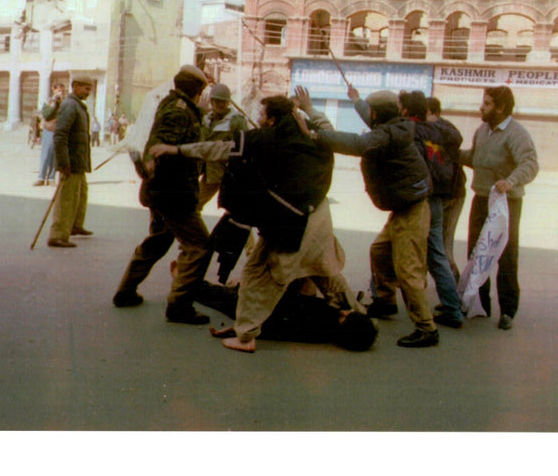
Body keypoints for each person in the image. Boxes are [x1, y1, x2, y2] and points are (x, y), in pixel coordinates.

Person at [150, 93, 366, 352]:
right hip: (318, 217)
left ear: (272, 119)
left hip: (290, 222)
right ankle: (356, 312)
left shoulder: (265, 139)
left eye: (263, 115)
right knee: (323, 267)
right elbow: (329, 131)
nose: (259, 119)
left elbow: (218, 149)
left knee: (259, 273)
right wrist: (310, 109)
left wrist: (176, 150)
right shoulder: (310, 135)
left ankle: (246, 336)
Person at [305, 88, 439, 348]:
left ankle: (426, 328)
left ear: (379, 114)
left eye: (372, 112)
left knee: (408, 271)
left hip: (412, 209)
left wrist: (316, 134)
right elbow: (370, 118)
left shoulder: (387, 135)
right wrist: (356, 100)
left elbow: (359, 143)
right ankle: (386, 301)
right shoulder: (392, 127)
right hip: (404, 207)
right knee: (379, 252)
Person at [112, 65, 214, 325]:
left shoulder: (177, 106)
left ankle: (125, 291)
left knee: (158, 241)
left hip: (162, 192)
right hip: (173, 193)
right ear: (197, 90)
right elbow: (161, 147)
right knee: (201, 244)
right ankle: (179, 306)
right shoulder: (179, 112)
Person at [460, 86, 539, 330]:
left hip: (506, 202)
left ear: (501, 108)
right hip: (481, 198)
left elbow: (530, 163)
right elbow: (474, 158)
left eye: (486, 103)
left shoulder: (516, 133)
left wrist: (510, 181)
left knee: (505, 255)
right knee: (476, 251)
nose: (481, 107)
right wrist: (450, 152)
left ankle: (508, 311)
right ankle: (479, 304)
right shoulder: (482, 130)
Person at [397, 90, 464, 328]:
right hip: (438, 198)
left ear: (405, 110)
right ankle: (452, 306)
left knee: (406, 251)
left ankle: (447, 310)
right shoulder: (441, 130)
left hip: (420, 199)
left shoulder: (408, 130)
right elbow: (456, 138)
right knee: (437, 253)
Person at [196, 278, 377, 352]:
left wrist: (242, 329)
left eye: (348, 314)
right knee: (222, 296)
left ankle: (188, 282)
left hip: (260, 306)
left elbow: (280, 323)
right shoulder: (324, 331)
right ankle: (192, 283)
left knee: (219, 296)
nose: (345, 311)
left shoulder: (322, 319)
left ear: (344, 319)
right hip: (263, 309)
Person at [47, 77, 94, 247]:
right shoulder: (69, 105)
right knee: (67, 199)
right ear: (75, 87)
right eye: (85, 88)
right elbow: (60, 136)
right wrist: (63, 163)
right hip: (71, 162)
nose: (88, 92)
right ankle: (58, 235)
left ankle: (75, 226)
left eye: (90, 89)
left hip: (78, 161)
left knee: (81, 194)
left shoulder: (78, 106)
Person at [427, 97, 467, 285]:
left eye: (425, 113)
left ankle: (455, 290)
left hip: (452, 195)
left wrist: (434, 125)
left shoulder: (445, 130)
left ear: (435, 113)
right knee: (438, 244)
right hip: (444, 194)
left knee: (443, 244)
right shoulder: (429, 129)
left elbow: (456, 139)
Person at [197, 83, 248, 210]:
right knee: (194, 204)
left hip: (228, 172)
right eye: (217, 101)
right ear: (211, 101)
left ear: (228, 103)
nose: (220, 105)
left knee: (236, 209)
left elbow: (245, 145)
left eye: (223, 102)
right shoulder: (206, 119)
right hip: (210, 171)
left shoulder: (236, 120)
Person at [34, 82, 65, 186]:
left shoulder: (64, 102)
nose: (60, 92)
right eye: (58, 90)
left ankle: (51, 178)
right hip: (49, 129)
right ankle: (41, 177)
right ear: (54, 90)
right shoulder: (49, 101)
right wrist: (54, 103)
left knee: (54, 155)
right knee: (46, 153)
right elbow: (46, 114)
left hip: (59, 130)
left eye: (62, 90)